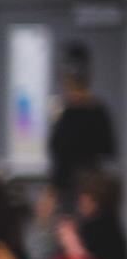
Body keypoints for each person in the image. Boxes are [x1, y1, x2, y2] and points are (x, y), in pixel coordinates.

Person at [47, 43, 118, 206]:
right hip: (68, 193)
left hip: (88, 194)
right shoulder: (63, 111)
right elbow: (57, 156)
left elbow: (109, 152)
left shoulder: (96, 112)